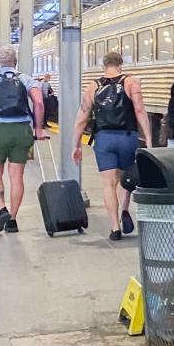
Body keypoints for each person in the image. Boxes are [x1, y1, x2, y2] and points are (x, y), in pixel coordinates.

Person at [71, 51, 153, 241]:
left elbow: (82, 117)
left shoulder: (93, 86)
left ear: (103, 66)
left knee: (108, 184)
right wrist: (148, 138)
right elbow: (140, 110)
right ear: (120, 65)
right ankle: (125, 209)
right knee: (127, 178)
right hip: (127, 136)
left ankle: (115, 228)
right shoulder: (131, 82)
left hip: (104, 138)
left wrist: (76, 145)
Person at [0, 46, 45, 234]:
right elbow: (38, 103)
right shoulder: (26, 79)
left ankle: (1, 209)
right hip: (21, 131)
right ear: (15, 60)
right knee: (16, 176)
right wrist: (38, 128)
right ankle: (12, 220)